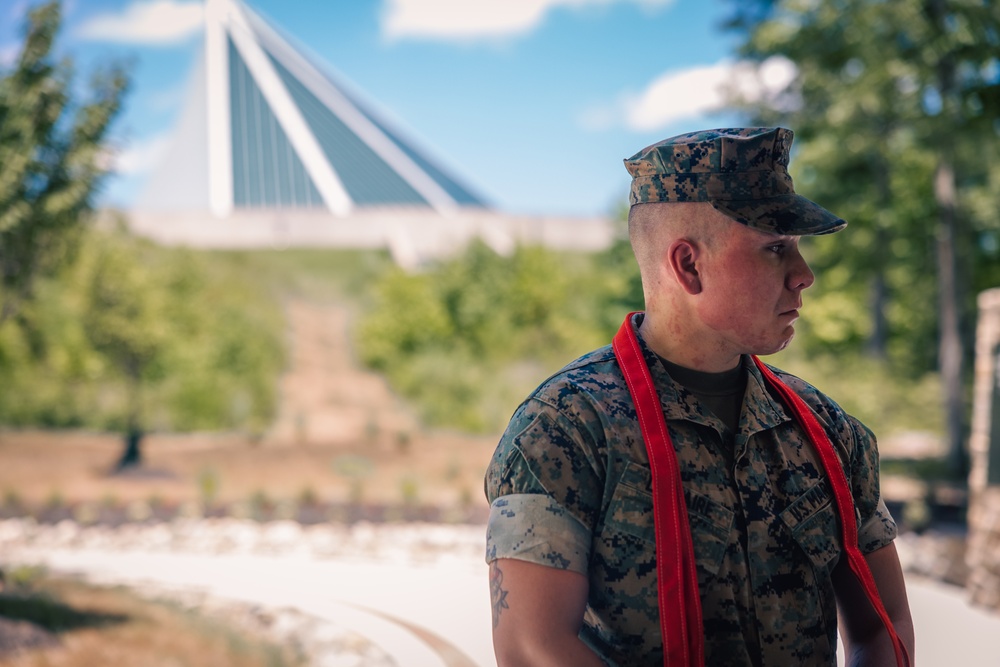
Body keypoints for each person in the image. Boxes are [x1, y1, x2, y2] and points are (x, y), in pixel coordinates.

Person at [484, 127, 915, 666]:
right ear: (689, 265)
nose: (803, 275)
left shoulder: (825, 430)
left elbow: (884, 627)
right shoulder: (566, 428)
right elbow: (533, 647)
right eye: (775, 248)